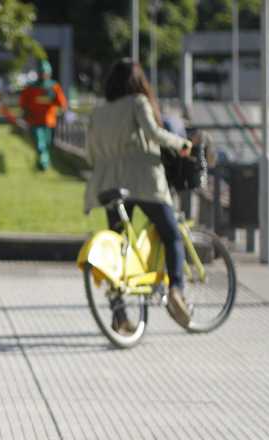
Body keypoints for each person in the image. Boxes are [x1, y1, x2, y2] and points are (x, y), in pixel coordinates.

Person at [83, 59, 193, 331]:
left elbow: (90, 153)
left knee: (119, 247)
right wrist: (182, 144)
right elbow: (153, 133)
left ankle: (119, 315)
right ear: (138, 81)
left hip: (109, 184)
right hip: (144, 181)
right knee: (171, 234)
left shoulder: (98, 111)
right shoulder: (138, 103)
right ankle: (176, 291)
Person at [18, 60, 67, 170]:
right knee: (40, 143)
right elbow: (23, 103)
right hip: (35, 121)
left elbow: (61, 103)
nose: (43, 75)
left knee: (47, 143)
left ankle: (43, 160)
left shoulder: (54, 86)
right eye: (42, 73)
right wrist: (25, 113)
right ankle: (43, 162)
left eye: (45, 73)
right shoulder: (31, 87)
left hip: (49, 121)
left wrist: (60, 111)